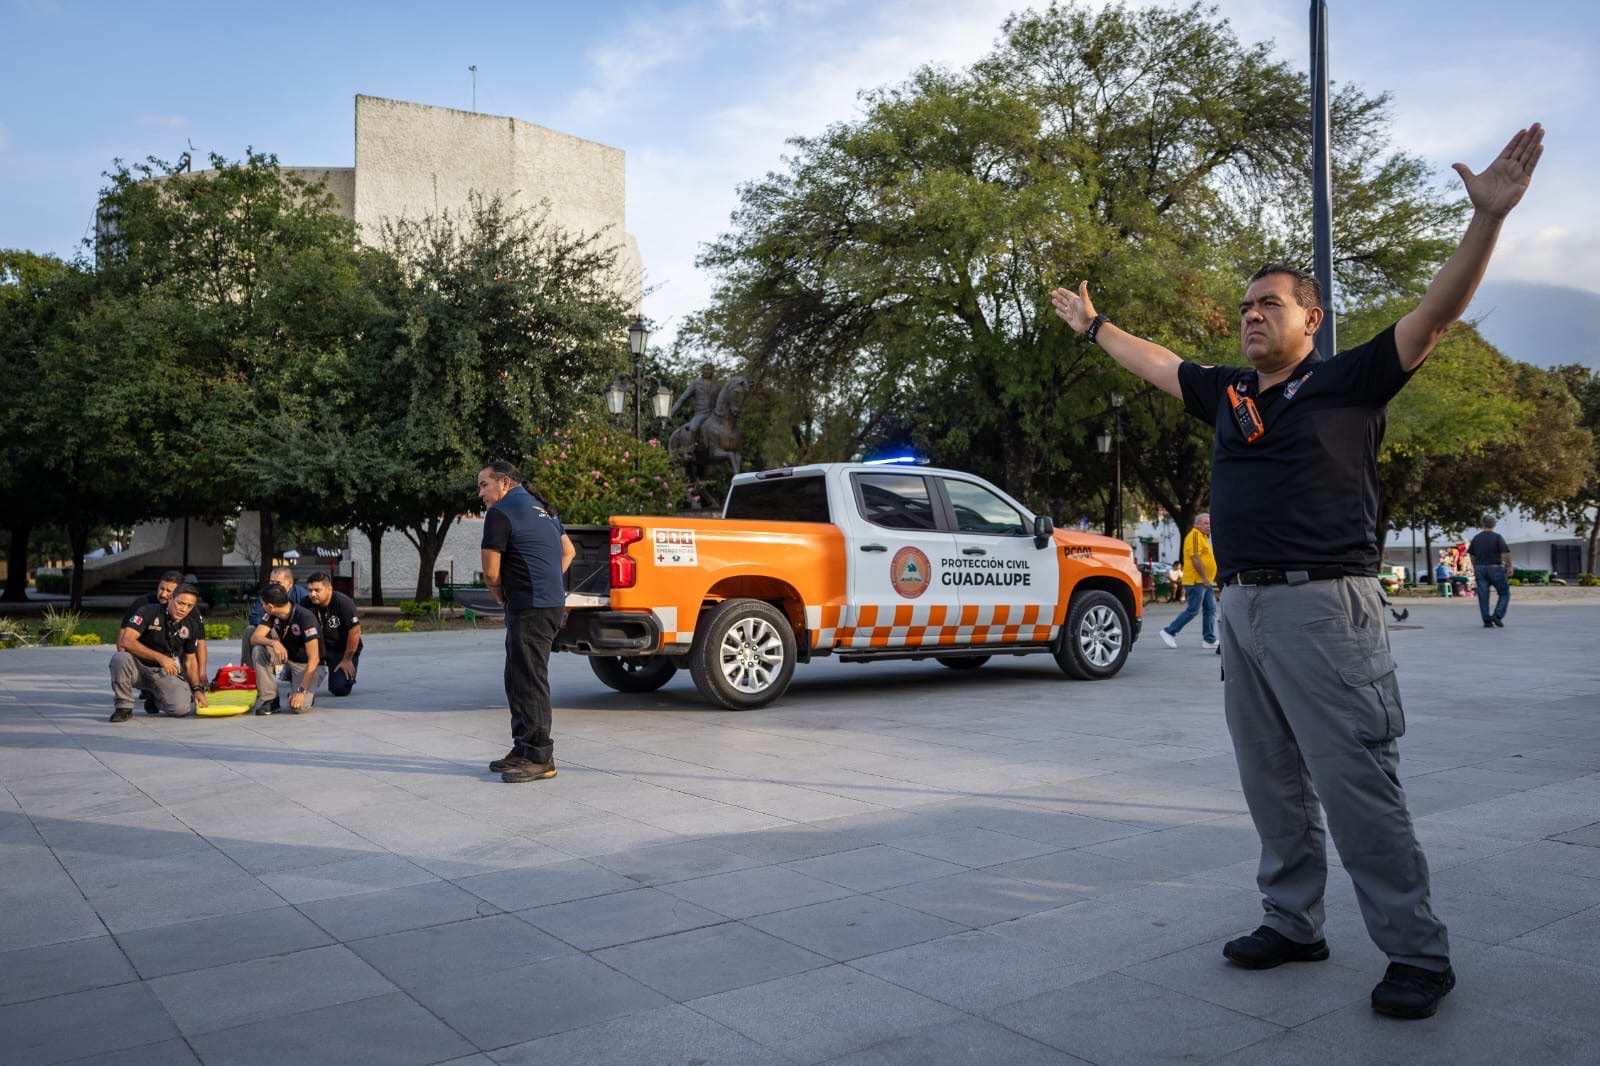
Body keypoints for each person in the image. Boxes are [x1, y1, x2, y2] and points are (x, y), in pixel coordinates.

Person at [1050, 123, 1543, 1020]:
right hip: (1242, 612)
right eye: (1245, 305)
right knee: (1270, 780)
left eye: (1269, 304)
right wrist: (1094, 328)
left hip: (1325, 610)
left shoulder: (1351, 381)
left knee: (1356, 785)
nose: (1251, 315)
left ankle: (1416, 953)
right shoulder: (1229, 395)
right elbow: (1158, 362)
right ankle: (1293, 921)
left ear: (1311, 320)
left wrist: (1487, 222)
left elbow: (1435, 314)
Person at [478, 459, 575, 783]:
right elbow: (569, 552)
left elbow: (491, 572)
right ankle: (523, 748)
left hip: (529, 607)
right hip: (547, 604)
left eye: (484, 485)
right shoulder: (543, 509)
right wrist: (548, 580)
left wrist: (501, 597)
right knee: (518, 677)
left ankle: (539, 757)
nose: (481, 493)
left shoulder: (500, 512)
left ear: (504, 483)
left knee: (529, 681)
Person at [108, 583, 209, 721]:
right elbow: (125, 641)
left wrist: (197, 689)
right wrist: (160, 657)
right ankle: (123, 707)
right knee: (120, 658)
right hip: (137, 668)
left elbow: (190, 661)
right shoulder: (148, 611)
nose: (184, 609)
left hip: (164, 672)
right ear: (171, 598)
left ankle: (155, 697)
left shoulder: (192, 625)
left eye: (189, 606)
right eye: (180, 603)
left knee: (181, 709)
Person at [247, 584, 322, 715]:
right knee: (258, 650)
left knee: (298, 707)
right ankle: (271, 700)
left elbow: (314, 659)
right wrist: (273, 643)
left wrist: (301, 691)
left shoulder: (305, 618)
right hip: (286, 656)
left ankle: (305, 691)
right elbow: (255, 638)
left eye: (263, 604)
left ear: (271, 606)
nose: (262, 607)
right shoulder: (271, 614)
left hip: (305, 664)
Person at [1159, 514, 1216, 649]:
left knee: (1211, 608)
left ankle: (1209, 640)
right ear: (1197, 524)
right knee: (1193, 610)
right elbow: (1195, 558)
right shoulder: (1195, 535)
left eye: (1210, 523)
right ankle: (1169, 631)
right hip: (1196, 581)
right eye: (1206, 523)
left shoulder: (1203, 537)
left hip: (1204, 581)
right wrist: (1204, 577)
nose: (1209, 526)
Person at [304, 570, 363, 695]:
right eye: (310, 590)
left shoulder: (343, 603)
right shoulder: (305, 603)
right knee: (300, 683)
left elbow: (355, 631)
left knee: (339, 689)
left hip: (341, 650)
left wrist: (347, 659)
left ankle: (346, 674)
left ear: (329, 589)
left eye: (317, 590)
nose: (313, 594)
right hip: (317, 649)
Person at [239, 566, 310, 666]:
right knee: (250, 631)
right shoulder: (266, 593)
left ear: (290, 583)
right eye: (271, 582)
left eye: (278, 583)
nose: (274, 586)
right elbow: (255, 616)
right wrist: (271, 628)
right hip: (273, 631)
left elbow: (307, 620)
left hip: (295, 634)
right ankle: (247, 669)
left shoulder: (302, 595)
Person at [1468, 515, 1513, 628]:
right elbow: (1504, 554)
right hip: (1495, 568)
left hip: (1480, 569)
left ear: (1482, 524)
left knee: (1483, 595)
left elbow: (1472, 555)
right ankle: (1497, 615)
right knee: (1504, 593)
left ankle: (1486, 621)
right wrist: (1509, 566)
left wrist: (1475, 566)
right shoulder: (1497, 537)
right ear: (1494, 524)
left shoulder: (1476, 538)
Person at [671, 362, 721, 435]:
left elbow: (722, 403)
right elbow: (682, 400)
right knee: (693, 428)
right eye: (704, 369)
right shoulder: (695, 384)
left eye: (709, 369)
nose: (706, 371)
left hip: (714, 416)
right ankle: (691, 442)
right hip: (700, 415)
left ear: (713, 371)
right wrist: (670, 414)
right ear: (702, 371)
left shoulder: (717, 387)